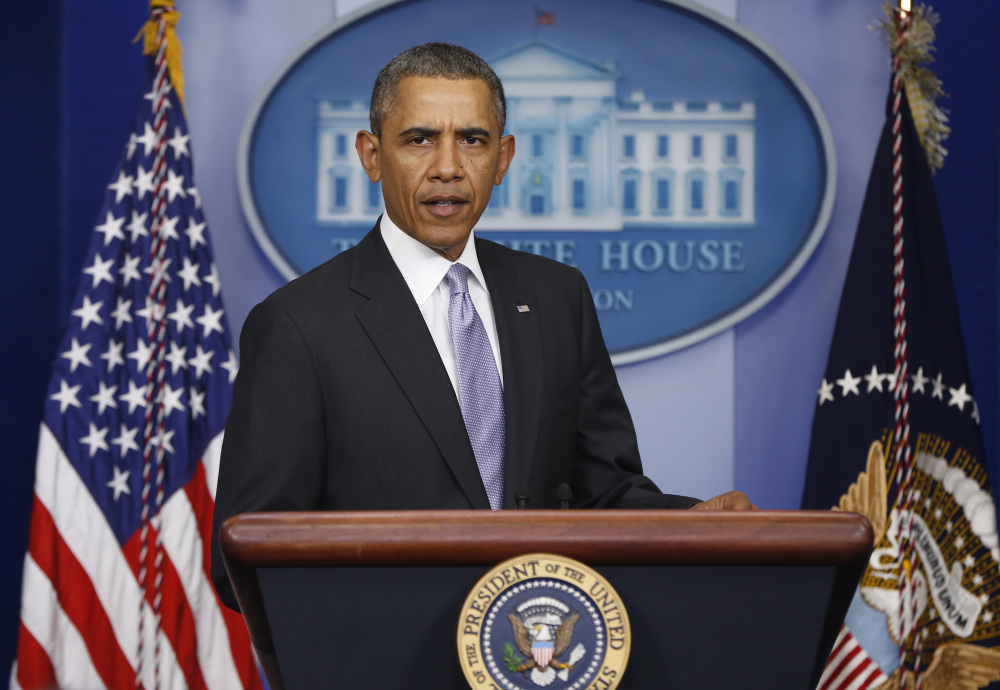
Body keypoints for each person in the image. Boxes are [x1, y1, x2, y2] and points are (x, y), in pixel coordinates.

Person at [210, 43, 754, 611]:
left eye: (472, 140)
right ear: (372, 156)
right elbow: (248, 554)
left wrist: (689, 522)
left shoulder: (555, 296)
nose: (448, 167)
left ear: (503, 158)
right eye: (419, 140)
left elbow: (603, 491)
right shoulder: (298, 324)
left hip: (537, 652)